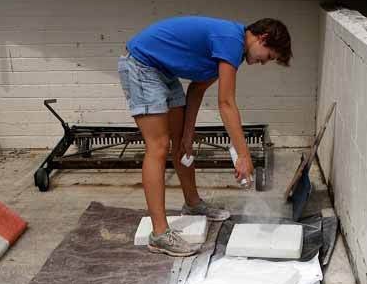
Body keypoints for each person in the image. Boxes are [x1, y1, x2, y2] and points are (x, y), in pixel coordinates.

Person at [118, 16, 292, 256]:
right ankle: (159, 234)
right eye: (269, 56)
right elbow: (227, 103)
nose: (264, 63)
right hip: (141, 64)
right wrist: (243, 155)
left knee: (180, 143)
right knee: (158, 146)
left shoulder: (232, 51)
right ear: (262, 38)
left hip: (162, 71)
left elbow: (197, 88)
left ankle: (192, 204)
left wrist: (188, 132)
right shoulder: (231, 40)